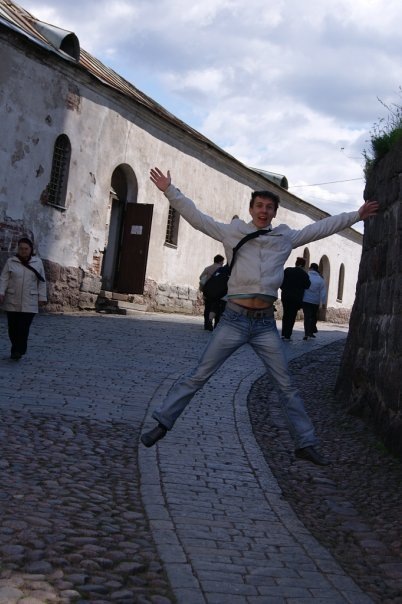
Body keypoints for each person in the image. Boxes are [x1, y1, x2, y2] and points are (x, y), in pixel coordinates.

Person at [141, 167, 379, 466]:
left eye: (269, 207)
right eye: (259, 206)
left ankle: (305, 442)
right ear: (251, 209)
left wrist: (356, 215)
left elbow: (321, 228)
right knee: (199, 375)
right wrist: (169, 191)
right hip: (234, 320)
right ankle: (163, 423)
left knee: (286, 384)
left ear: (275, 212)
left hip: (265, 325)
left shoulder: (284, 238)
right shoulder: (233, 232)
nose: (264, 211)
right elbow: (198, 218)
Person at [0, 237, 47, 360]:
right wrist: (1, 292)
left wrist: (42, 297)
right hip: (12, 299)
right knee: (12, 328)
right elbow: (4, 278)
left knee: (23, 327)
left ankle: (18, 350)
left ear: (31, 249)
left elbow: (42, 281)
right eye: (21, 248)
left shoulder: (37, 262)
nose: (23, 251)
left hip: (30, 300)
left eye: (26, 249)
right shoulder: (11, 261)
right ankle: (15, 349)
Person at [280, 257, 310, 341]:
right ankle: (287, 335)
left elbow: (281, 281)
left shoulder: (287, 270)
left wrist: (284, 289)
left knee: (286, 314)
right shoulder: (304, 274)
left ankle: (283, 333)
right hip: (296, 298)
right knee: (292, 316)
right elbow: (307, 285)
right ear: (303, 265)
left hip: (285, 296)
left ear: (296, 263)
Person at [199, 254, 224, 330]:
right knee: (217, 309)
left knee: (207, 308)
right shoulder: (221, 269)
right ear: (220, 261)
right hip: (218, 292)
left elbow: (201, 277)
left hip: (207, 291)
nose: (223, 263)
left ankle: (207, 325)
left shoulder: (207, 268)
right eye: (222, 261)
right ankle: (216, 325)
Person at [302, 263, 326, 341]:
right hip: (315, 301)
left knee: (307, 317)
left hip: (306, 300)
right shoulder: (321, 279)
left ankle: (306, 333)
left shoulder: (306, 276)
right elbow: (323, 292)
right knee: (313, 316)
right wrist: (323, 302)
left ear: (310, 268)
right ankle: (311, 332)